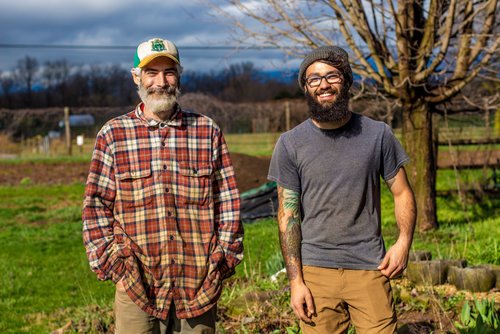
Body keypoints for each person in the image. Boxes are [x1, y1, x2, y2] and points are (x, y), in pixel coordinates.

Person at [82, 37, 243, 334]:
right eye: (151, 73)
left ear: (179, 75)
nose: (161, 82)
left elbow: (229, 203)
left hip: (198, 284)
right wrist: (116, 266)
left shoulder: (206, 131)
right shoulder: (113, 135)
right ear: (136, 77)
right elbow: (96, 208)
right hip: (137, 286)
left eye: (169, 72)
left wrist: (222, 260)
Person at [268, 46, 417, 333]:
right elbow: (288, 216)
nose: (323, 84)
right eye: (314, 79)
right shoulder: (290, 144)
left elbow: (402, 192)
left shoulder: (378, 134)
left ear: (346, 82)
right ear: (306, 88)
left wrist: (403, 242)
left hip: (370, 267)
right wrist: (296, 282)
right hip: (315, 273)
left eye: (332, 76)